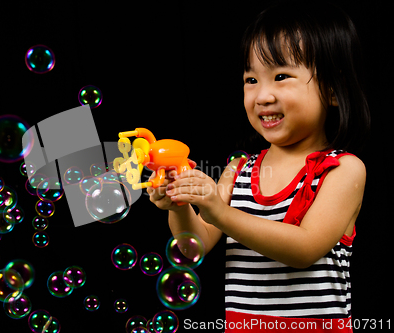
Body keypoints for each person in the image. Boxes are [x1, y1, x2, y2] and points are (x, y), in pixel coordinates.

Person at [147, 1, 370, 332]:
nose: (262, 95)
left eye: (281, 76)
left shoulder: (342, 169)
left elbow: (305, 248)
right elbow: (196, 244)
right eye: (251, 79)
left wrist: (219, 213)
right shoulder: (238, 168)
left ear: (332, 90)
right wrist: (180, 205)